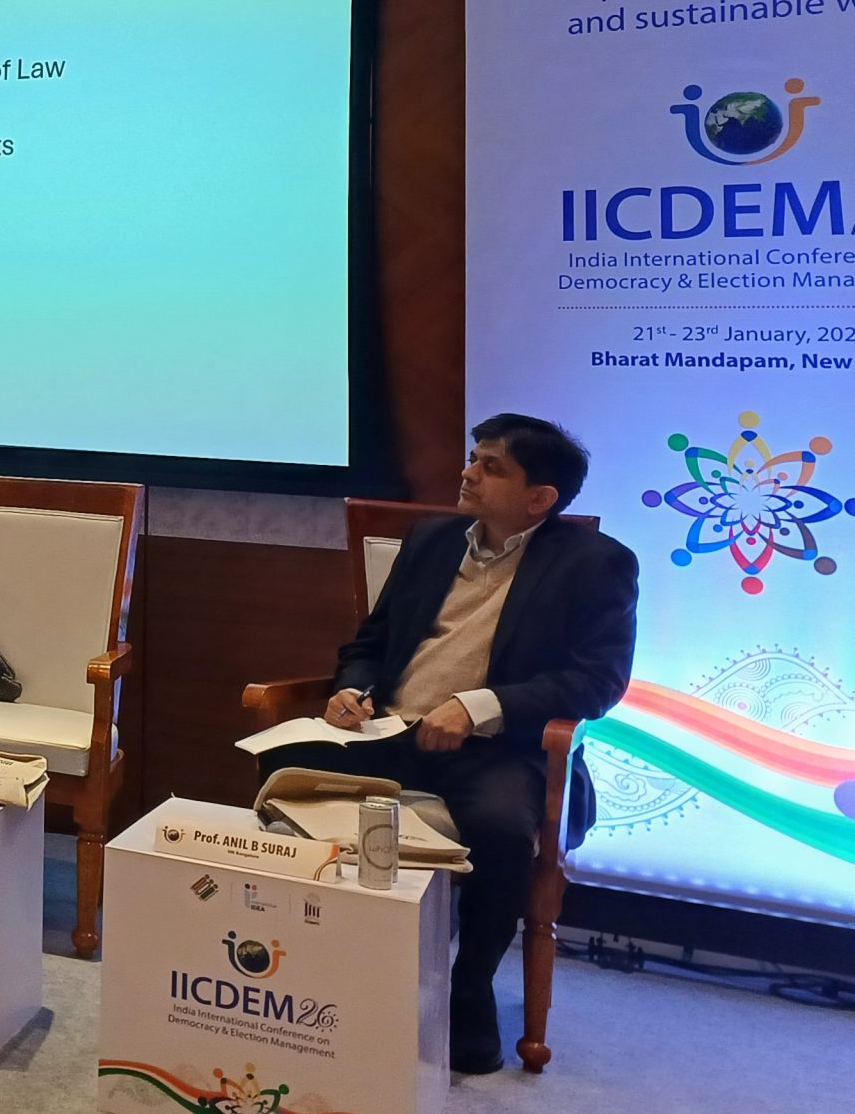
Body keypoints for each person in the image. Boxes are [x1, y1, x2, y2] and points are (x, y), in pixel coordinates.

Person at [259, 413, 637, 1074]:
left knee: (500, 826)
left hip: (502, 749)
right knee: (281, 764)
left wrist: (479, 706)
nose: (468, 473)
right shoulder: (431, 540)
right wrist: (352, 688)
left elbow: (596, 681)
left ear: (540, 498)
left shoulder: (596, 564)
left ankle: (471, 987)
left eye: (492, 467)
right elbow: (371, 642)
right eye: (473, 457)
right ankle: (303, 962)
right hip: (391, 731)